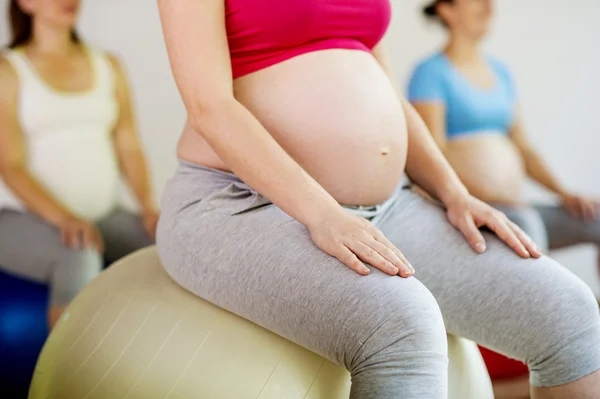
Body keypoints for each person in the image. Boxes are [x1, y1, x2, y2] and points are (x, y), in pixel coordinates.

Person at [156, 0, 600, 398]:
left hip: (388, 207)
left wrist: (455, 193)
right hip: (239, 203)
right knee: (403, 326)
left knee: (569, 315)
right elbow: (209, 106)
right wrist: (322, 212)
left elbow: (388, 91)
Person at [0, 0, 158, 328]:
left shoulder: (108, 65)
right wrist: (66, 218)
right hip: (19, 218)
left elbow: (128, 144)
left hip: (100, 215)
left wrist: (148, 208)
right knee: (79, 254)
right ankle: (70, 376)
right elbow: (10, 164)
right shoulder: (9, 70)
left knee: (169, 245)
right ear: (25, 3)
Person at [408, 0, 600, 267]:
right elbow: (431, 154)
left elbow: (523, 147)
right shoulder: (429, 73)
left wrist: (564, 194)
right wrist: (487, 193)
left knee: (596, 219)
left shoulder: (501, 73)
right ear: (446, 9)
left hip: (515, 205)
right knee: (527, 229)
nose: (488, 6)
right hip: (475, 212)